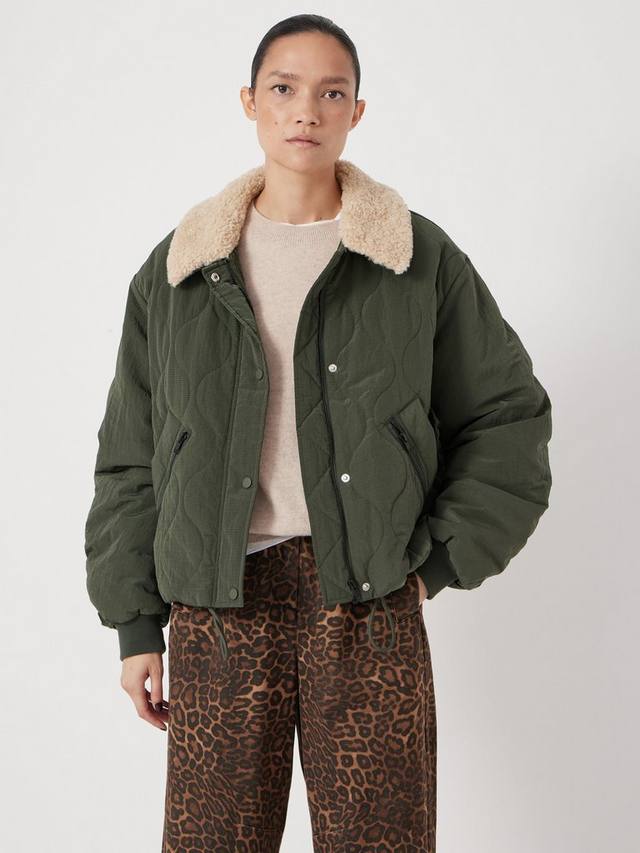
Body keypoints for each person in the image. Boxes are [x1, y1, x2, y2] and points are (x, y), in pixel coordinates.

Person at [84, 13, 553, 853]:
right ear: (250, 101)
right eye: (285, 88)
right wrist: (135, 625)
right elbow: (129, 458)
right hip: (218, 604)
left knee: (382, 842)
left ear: (356, 112)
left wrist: (435, 563)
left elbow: (507, 416)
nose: (307, 109)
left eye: (331, 93)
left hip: (369, 601)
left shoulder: (413, 258)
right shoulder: (180, 270)